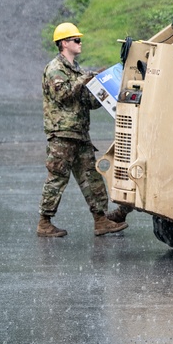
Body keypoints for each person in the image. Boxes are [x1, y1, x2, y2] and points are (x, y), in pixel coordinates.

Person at [37, 22, 127, 238]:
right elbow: (63, 94)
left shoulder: (76, 70)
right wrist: (87, 78)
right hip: (62, 134)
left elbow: (86, 101)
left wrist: (101, 86)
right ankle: (44, 222)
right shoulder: (55, 69)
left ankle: (101, 220)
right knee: (57, 178)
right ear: (64, 43)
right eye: (76, 40)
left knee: (91, 178)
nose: (80, 43)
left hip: (79, 134)